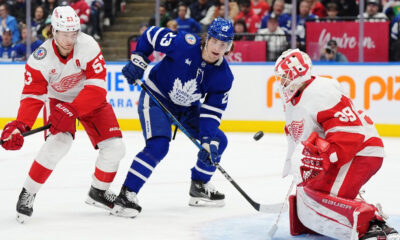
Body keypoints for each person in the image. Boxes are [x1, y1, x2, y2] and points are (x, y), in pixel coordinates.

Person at [0, 6, 125, 223]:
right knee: (59, 143)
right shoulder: (40, 59)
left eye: (73, 33)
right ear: (54, 31)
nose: (70, 39)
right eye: (65, 33)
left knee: (116, 147)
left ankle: (99, 191)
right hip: (58, 100)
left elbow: (97, 87)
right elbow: (33, 96)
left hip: (89, 98)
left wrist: (74, 109)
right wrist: (20, 125)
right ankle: (28, 192)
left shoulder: (88, 45)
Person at [111, 17, 235, 218]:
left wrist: (206, 142)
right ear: (207, 38)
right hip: (156, 97)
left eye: (224, 44)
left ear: (229, 47)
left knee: (217, 141)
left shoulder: (224, 76)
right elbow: (151, 35)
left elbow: (211, 112)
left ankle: (200, 185)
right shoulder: (185, 43)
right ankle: (127, 194)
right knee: (159, 145)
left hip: (186, 109)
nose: (218, 48)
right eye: (215, 41)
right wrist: (139, 59)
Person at [274, 49, 400, 240]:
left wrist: (326, 157)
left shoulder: (320, 91)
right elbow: (295, 134)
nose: (281, 82)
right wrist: (293, 163)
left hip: (362, 152)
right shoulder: (293, 101)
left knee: (323, 195)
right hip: (346, 152)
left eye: (284, 77)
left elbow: (351, 133)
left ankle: (373, 224)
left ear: (296, 73)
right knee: (312, 190)